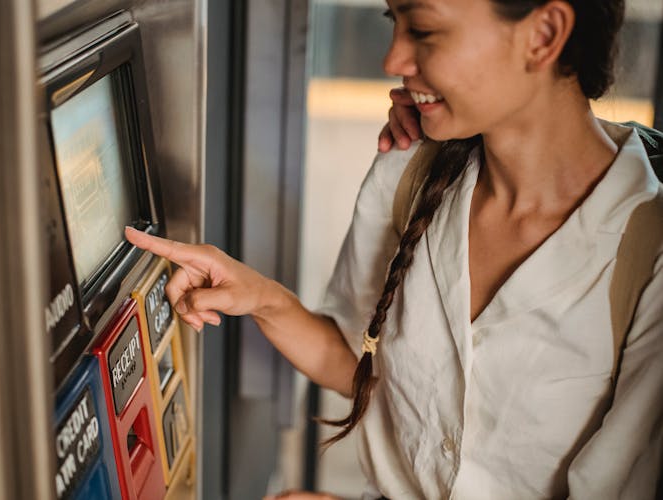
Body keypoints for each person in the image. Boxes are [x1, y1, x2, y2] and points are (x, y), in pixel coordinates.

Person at [126, 0, 663, 497]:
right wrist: (263, 298)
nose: (392, 59)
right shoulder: (411, 172)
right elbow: (366, 374)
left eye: (424, 30)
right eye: (392, 22)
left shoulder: (650, 254)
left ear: (543, 35)